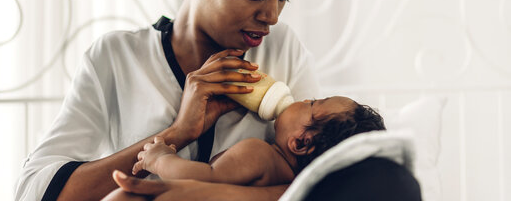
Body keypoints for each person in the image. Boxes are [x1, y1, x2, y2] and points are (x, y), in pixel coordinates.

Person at [15, 0, 321, 201]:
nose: (272, 16)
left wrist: (202, 195)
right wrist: (178, 132)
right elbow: (36, 192)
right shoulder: (116, 57)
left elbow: (327, 179)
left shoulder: (283, 49)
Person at [129, 96, 386, 186]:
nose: (305, 98)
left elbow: (201, 178)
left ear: (299, 143)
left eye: (312, 104)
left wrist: (160, 160)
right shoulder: (288, 179)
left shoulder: (259, 154)